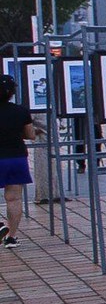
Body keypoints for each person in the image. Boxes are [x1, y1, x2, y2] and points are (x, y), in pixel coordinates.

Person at [0, 75, 41, 247]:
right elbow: (30, 135)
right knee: (13, 198)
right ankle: (12, 237)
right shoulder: (21, 111)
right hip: (16, 157)